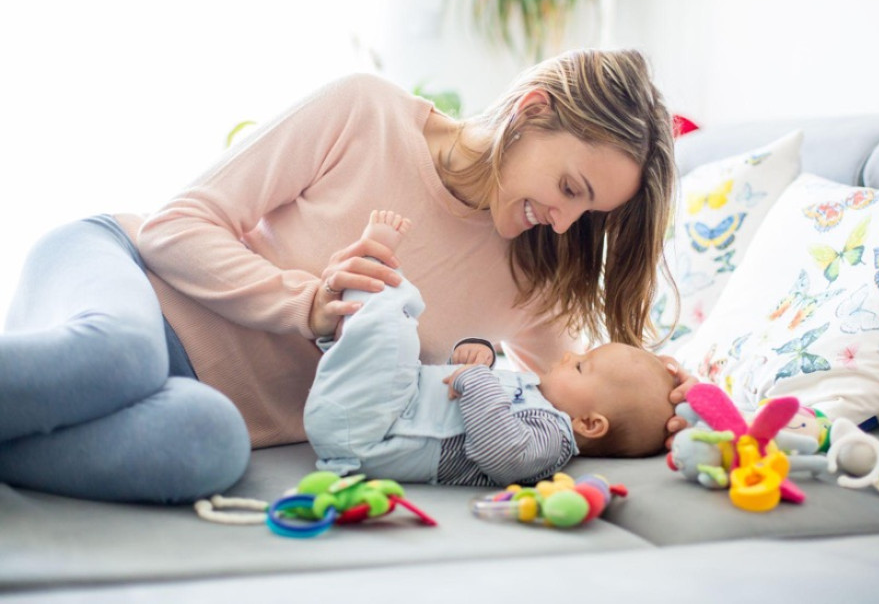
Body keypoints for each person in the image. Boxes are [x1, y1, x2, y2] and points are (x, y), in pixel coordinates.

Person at [0, 48, 677, 503]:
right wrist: (310, 306)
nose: (563, 221)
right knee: (119, 355)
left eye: (588, 210)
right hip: (122, 276)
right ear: (531, 111)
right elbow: (175, 226)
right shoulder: (368, 112)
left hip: (192, 399)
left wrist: (685, 416)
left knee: (211, 444)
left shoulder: (534, 280)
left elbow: (603, 401)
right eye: (570, 185)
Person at [305, 210, 678, 486]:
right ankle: (356, 308)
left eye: (581, 366)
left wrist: (476, 380)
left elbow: (502, 455)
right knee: (393, 328)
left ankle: (372, 266)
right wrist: (472, 355)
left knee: (390, 328)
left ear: (590, 424)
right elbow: (455, 394)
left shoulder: (554, 436)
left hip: (378, 431)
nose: (568, 355)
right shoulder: (534, 393)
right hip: (387, 407)